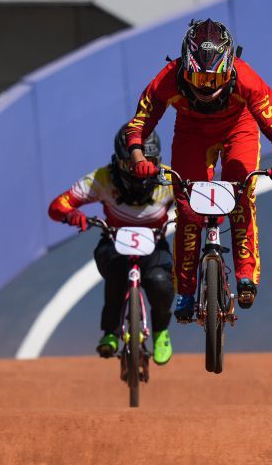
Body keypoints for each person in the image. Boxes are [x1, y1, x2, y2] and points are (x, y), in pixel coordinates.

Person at [123, 19, 272, 322]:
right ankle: (186, 291)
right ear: (183, 67)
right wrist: (138, 158)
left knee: (241, 196)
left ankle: (245, 275)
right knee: (188, 210)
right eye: (198, 77)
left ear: (229, 70)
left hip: (239, 129)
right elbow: (139, 124)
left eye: (214, 79)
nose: (206, 86)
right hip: (191, 133)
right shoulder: (166, 79)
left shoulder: (246, 78)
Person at [47, 126, 176, 364]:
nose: (140, 172)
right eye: (131, 165)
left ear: (158, 161)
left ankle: (160, 332)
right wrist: (71, 214)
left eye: (148, 163)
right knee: (117, 274)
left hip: (155, 245)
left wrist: (200, 215)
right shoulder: (102, 178)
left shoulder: (169, 179)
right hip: (114, 243)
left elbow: (197, 200)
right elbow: (58, 205)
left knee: (160, 282)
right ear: (118, 162)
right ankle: (110, 332)